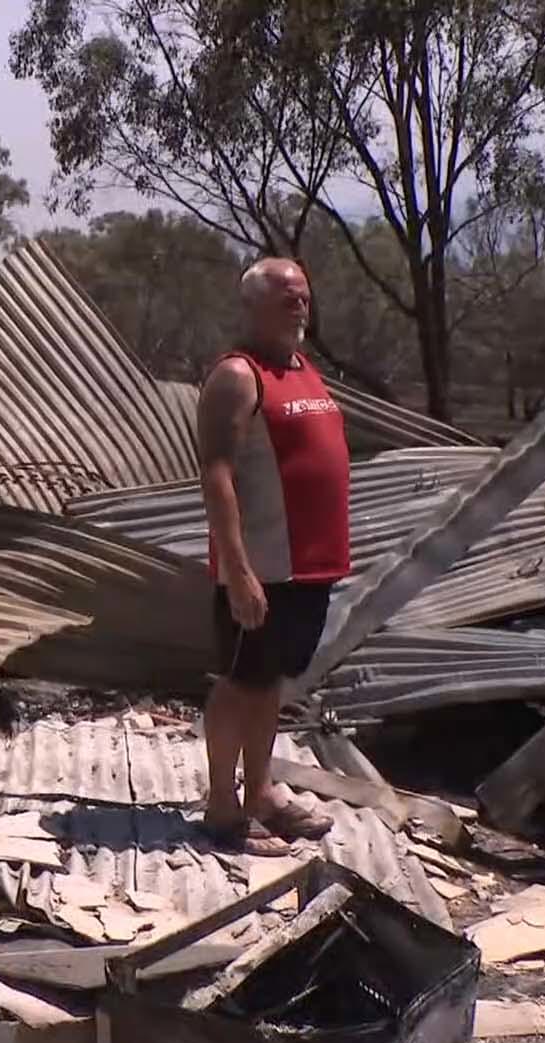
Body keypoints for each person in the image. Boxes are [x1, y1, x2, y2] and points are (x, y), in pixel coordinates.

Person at [195, 256, 351, 855]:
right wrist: (237, 570)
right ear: (253, 305)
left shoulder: (304, 370)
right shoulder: (238, 375)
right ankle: (221, 807)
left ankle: (259, 792)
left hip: (310, 566)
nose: (300, 305)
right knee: (240, 682)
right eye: (286, 297)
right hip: (263, 565)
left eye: (304, 295)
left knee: (269, 684)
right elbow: (216, 473)